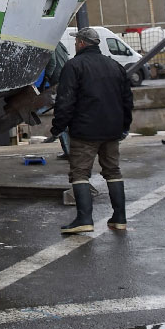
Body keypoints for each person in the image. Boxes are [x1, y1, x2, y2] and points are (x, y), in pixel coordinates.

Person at [49, 27, 133, 235]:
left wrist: (58, 127)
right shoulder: (115, 66)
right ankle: (119, 218)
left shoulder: (74, 66)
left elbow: (65, 101)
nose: (76, 43)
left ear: (82, 43)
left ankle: (84, 219)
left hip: (85, 131)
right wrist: (124, 126)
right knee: (113, 171)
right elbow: (127, 100)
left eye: (77, 40)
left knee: (79, 173)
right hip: (112, 130)